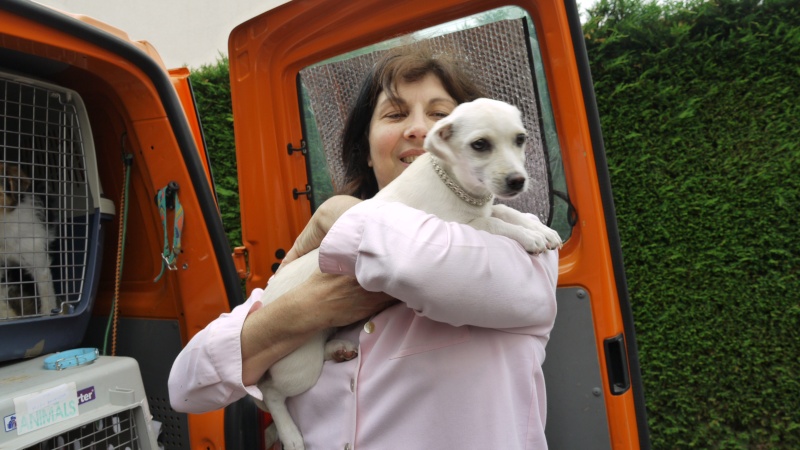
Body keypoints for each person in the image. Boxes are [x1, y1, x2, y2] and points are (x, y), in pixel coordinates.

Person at [168, 43, 559, 449]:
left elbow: (414, 263)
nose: (419, 130)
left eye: (441, 115)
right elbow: (187, 386)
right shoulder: (330, 252)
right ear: (366, 152)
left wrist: (337, 217)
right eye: (395, 114)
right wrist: (305, 307)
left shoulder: (531, 249)